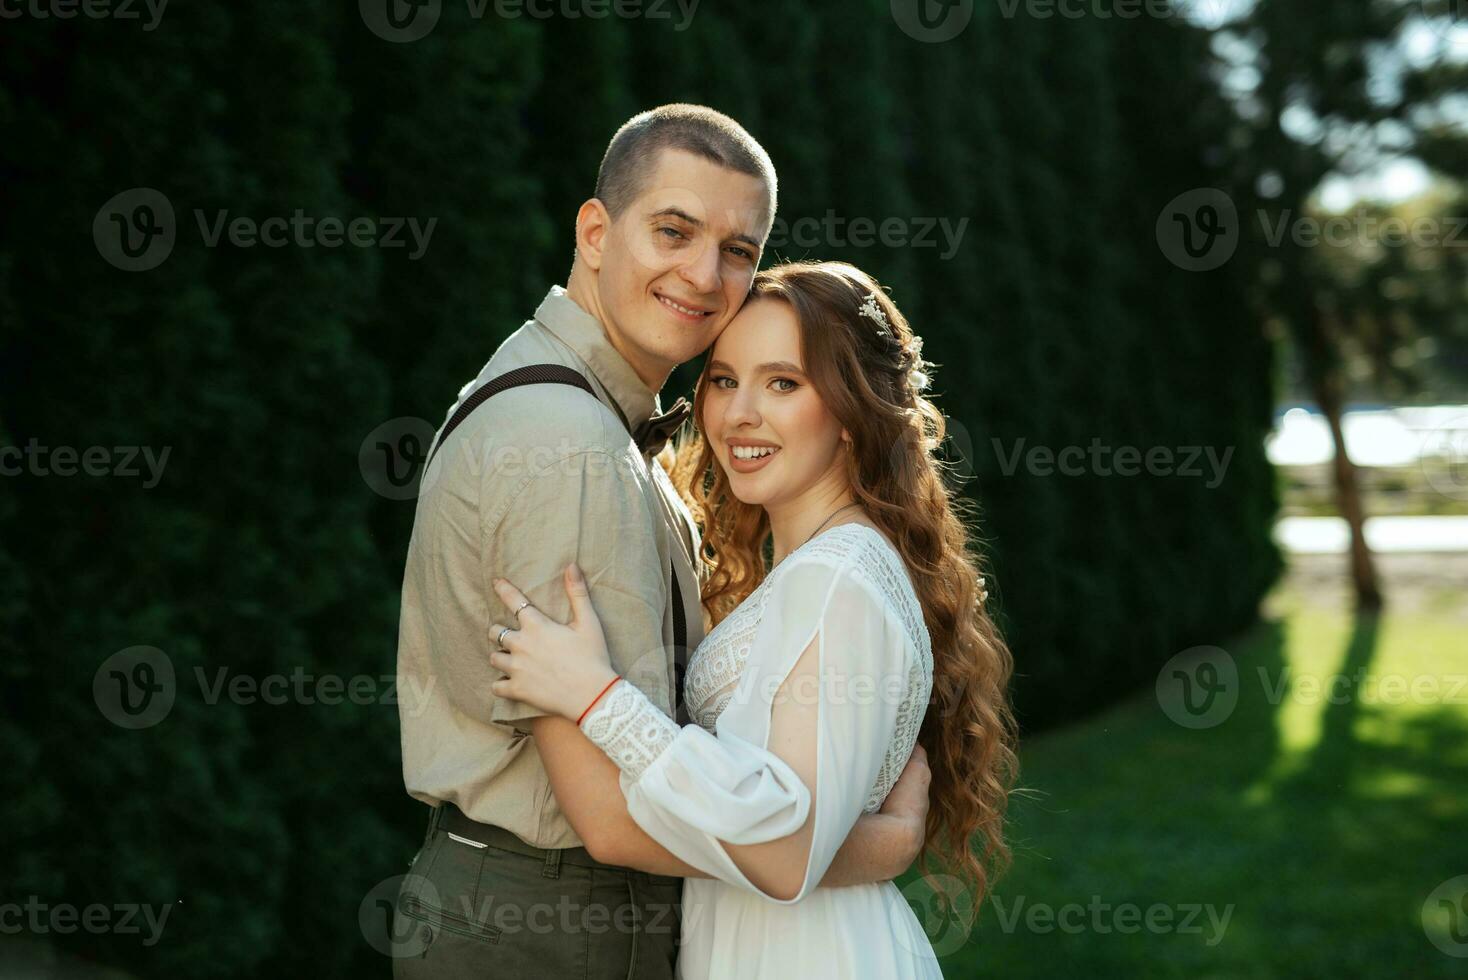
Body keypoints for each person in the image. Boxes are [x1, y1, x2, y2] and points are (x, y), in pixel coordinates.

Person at [393, 106, 932, 979]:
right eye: (673, 231)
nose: (704, 274)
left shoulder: (569, 411)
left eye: (738, 250)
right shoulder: (566, 441)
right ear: (596, 232)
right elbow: (611, 818)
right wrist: (881, 845)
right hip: (554, 920)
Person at [488, 260, 1020, 978]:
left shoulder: (837, 579)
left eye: (783, 383)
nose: (738, 414)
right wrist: (882, 841)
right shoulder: (824, 567)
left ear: (852, 412)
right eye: (725, 379)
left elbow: (785, 853)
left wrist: (595, 698)